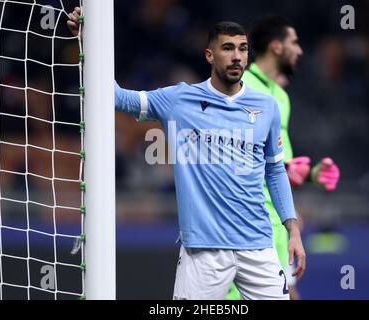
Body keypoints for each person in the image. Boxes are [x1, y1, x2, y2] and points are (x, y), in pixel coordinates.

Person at [68, 8, 305, 300]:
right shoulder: (179, 100)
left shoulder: (266, 106)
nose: (236, 57)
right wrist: (89, 43)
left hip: (258, 246)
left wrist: (292, 229)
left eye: (242, 49)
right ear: (209, 55)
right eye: (227, 48)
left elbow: (275, 170)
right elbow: (116, 97)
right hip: (203, 252)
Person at [226, 15, 340, 300]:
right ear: (276, 47)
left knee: (287, 292)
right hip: (242, 221)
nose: (300, 50)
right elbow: (227, 153)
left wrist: (311, 173)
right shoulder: (240, 88)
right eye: (294, 42)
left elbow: (280, 163)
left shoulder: (280, 95)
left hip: (275, 221)